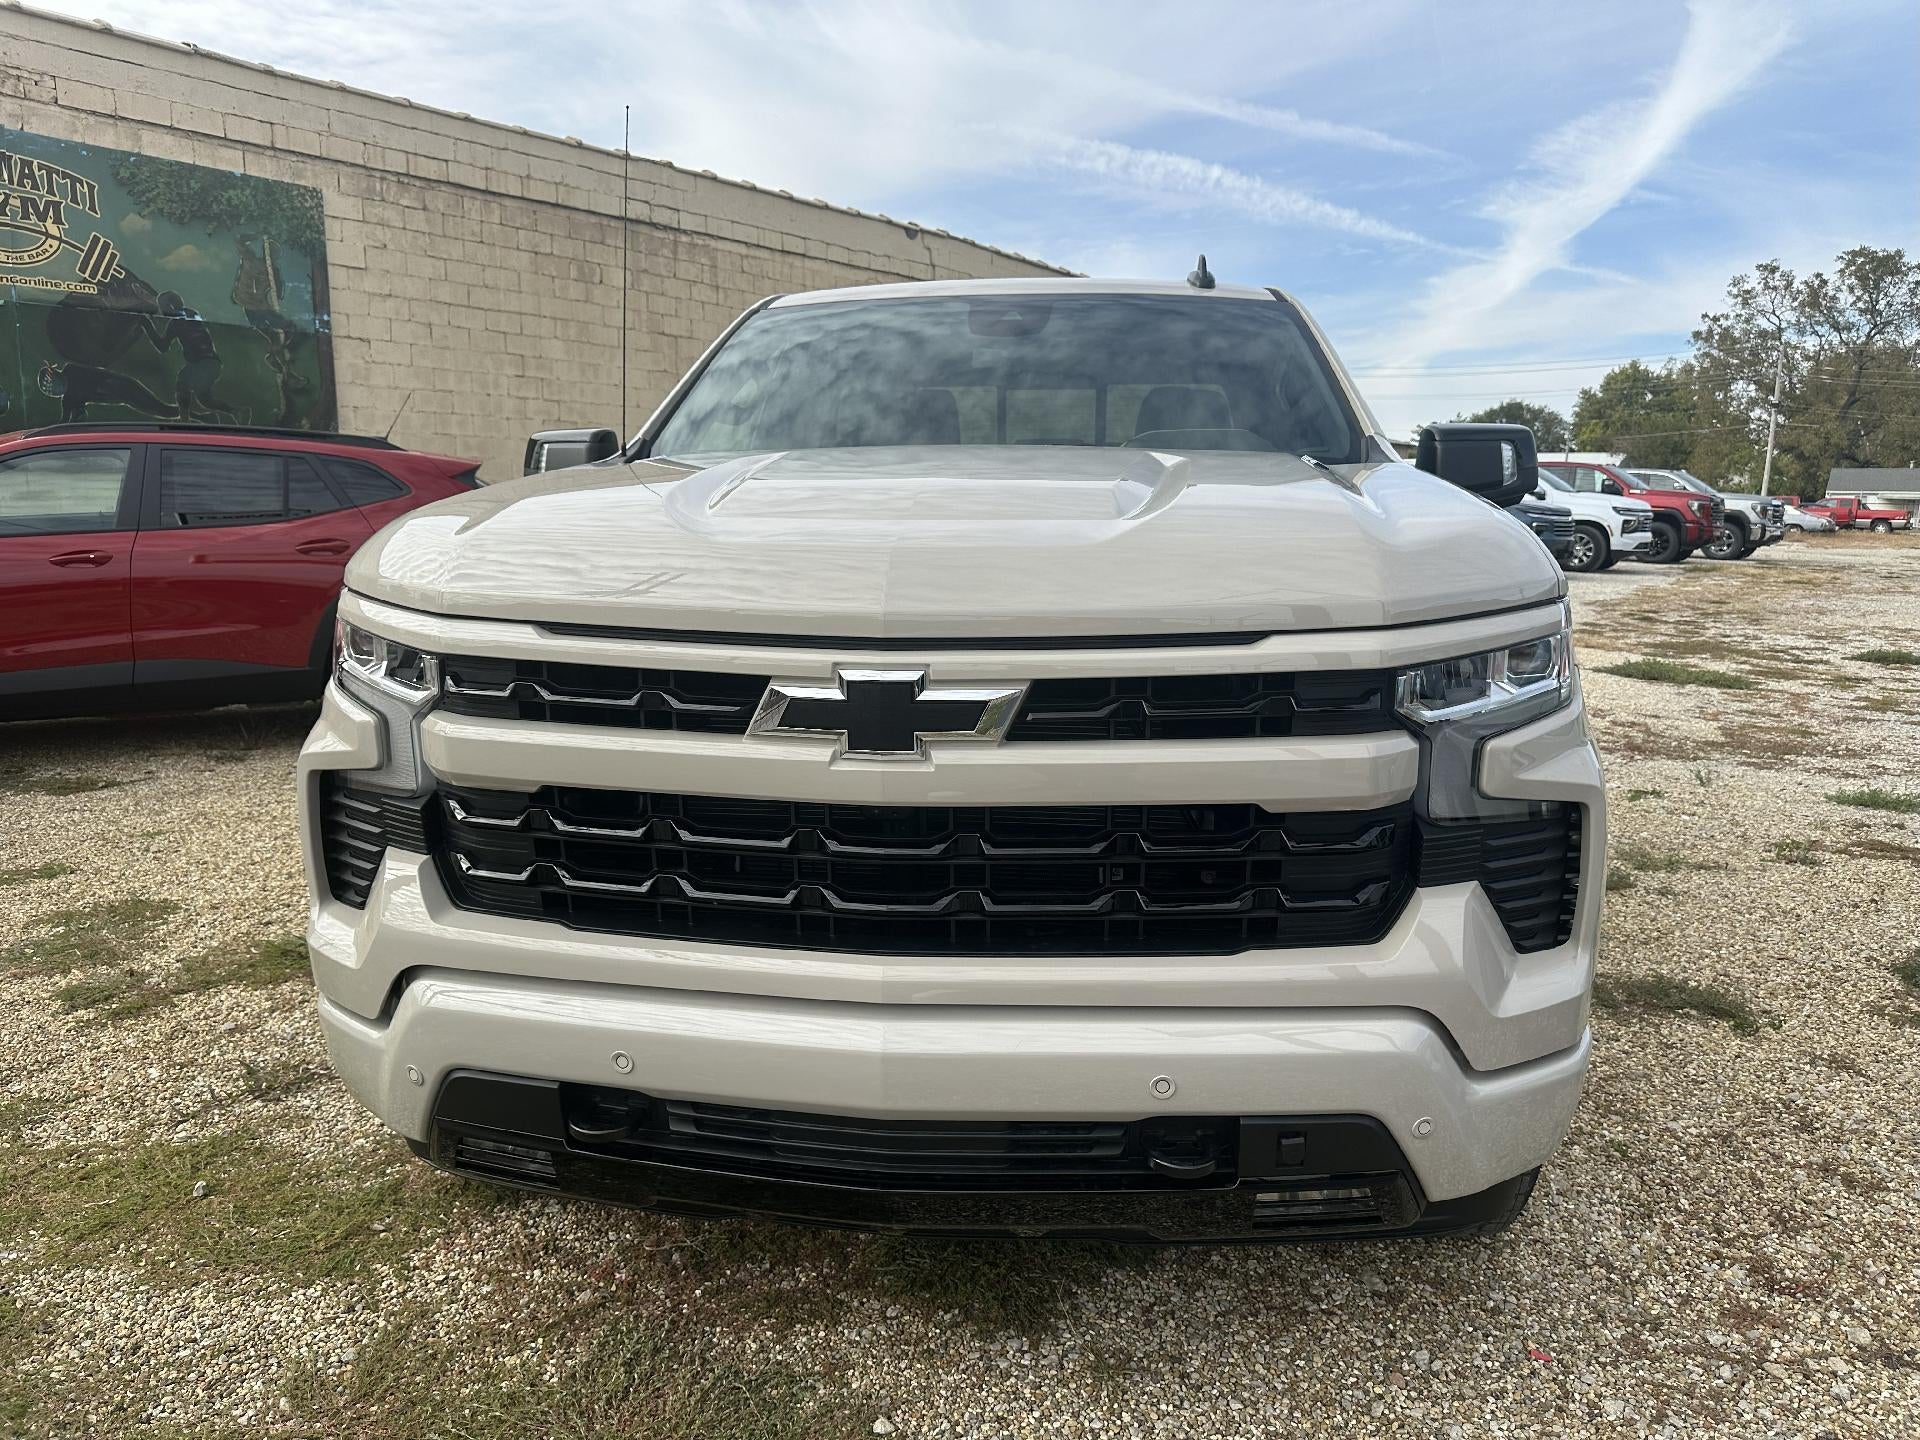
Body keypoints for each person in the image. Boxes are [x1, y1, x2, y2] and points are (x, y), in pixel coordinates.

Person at [141, 290, 238, 422]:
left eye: (162, 306)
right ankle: (236, 412)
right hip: (212, 363)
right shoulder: (192, 314)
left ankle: (184, 420)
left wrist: (147, 325)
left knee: (182, 383)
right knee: (205, 401)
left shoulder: (177, 322)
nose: (161, 310)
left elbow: (162, 347)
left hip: (202, 364)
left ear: (170, 307)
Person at [38, 360, 177, 424]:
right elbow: (65, 421)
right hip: (122, 395)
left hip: (123, 386)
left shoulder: (71, 370)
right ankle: (193, 413)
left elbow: (97, 372)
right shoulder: (68, 399)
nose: (53, 390)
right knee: (160, 410)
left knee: (162, 410)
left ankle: (192, 413)